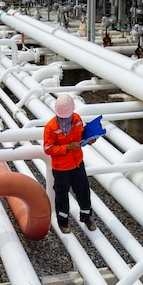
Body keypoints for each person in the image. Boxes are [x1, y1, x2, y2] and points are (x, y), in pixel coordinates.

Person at [43, 94, 97, 234]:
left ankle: (86, 217)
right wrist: (67, 147)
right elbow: (48, 149)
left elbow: (81, 136)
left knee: (83, 190)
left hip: (77, 164)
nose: (65, 118)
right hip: (61, 168)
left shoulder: (77, 119)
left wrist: (89, 139)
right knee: (62, 195)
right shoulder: (50, 127)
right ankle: (63, 222)